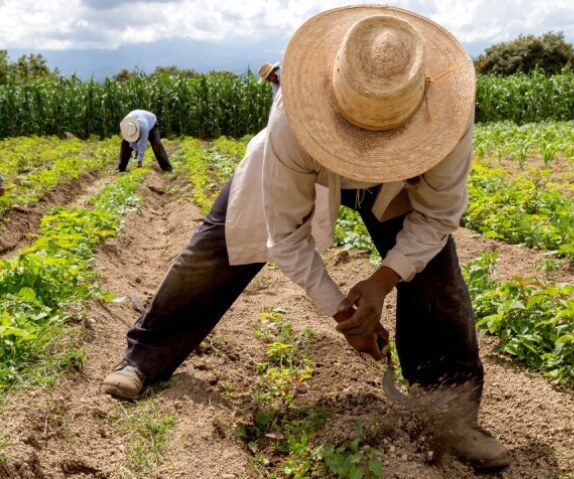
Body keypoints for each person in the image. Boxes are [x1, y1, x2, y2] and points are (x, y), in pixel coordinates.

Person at [103, 5, 509, 470]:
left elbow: (437, 216)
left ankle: (451, 417)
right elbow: (285, 235)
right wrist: (342, 311)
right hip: (310, 169)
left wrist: (382, 281)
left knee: (437, 279)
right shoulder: (293, 122)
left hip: (401, 187)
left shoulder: (448, 118)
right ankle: (144, 358)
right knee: (216, 250)